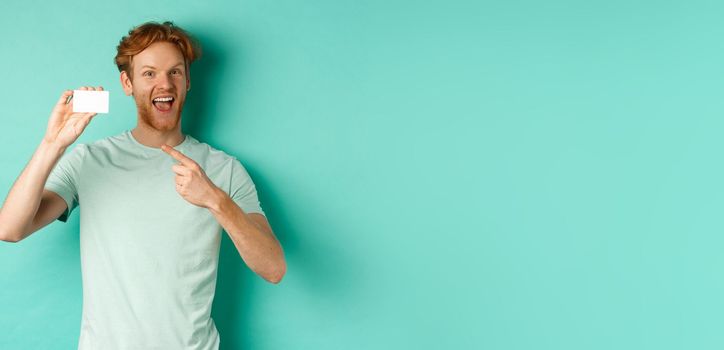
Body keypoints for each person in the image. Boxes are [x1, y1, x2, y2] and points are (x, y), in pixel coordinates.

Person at [0, 21, 286, 349]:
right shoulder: (89, 160)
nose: (164, 84)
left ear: (188, 81)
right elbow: (9, 228)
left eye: (175, 72)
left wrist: (215, 200)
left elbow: (273, 268)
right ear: (128, 82)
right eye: (149, 73)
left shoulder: (224, 170)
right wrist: (53, 144)